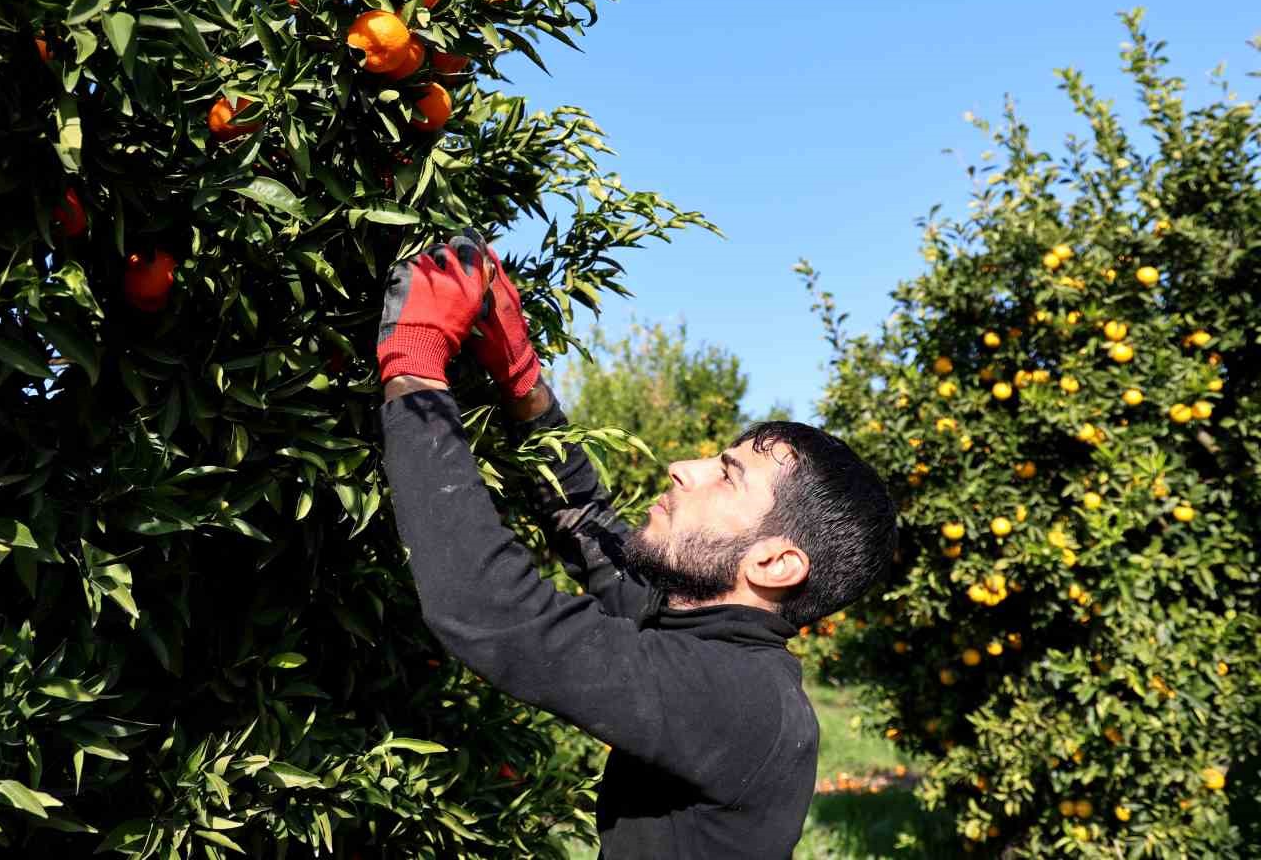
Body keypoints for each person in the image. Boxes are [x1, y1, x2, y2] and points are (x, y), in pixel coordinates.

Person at [375, 234, 899, 858]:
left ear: (776, 562)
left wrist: (414, 366)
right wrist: (525, 387)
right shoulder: (703, 632)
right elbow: (591, 530)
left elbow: (495, 610)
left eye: (727, 475)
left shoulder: (745, 702)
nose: (683, 466)